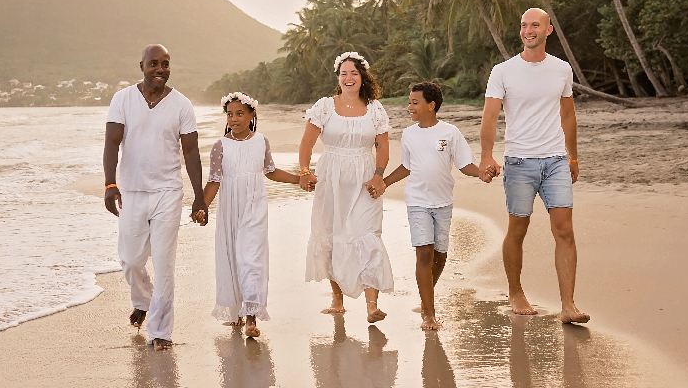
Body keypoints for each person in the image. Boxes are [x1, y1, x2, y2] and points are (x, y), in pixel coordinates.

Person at [477, 7, 589, 326]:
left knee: (564, 229)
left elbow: (568, 115)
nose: (528, 30)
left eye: (535, 25)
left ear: (548, 30)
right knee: (518, 228)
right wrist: (487, 156)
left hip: (555, 161)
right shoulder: (503, 71)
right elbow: (489, 116)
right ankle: (515, 292)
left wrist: (573, 156)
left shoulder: (562, 69)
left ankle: (568, 305)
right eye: (524, 25)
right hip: (519, 162)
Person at [103, 44, 207, 351]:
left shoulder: (182, 105)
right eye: (153, 64)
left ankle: (161, 331)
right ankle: (142, 300)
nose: (160, 69)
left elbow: (191, 152)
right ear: (142, 66)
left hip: (168, 193)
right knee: (131, 260)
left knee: (164, 265)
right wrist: (110, 185)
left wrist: (198, 198)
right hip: (132, 192)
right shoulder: (122, 99)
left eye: (165, 64)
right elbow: (111, 143)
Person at [370, 82, 484, 332]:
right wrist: (384, 182)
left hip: (443, 202)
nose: (409, 106)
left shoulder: (450, 132)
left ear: (431, 106)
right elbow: (407, 166)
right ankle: (429, 315)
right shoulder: (410, 134)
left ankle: (426, 296)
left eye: (414, 102)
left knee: (440, 256)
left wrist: (482, 173)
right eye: (409, 102)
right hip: (418, 202)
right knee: (424, 253)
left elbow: (465, 164)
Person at [300, 53, 394, 324]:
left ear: (363, 77)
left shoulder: (375, 108)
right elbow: (307, 142)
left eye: (353, 73)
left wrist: (379, 175)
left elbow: (383, 146)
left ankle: (372, 305)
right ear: (337, 77)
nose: (348, 78)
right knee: (331, 233)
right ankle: (337, 298)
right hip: (331, 177)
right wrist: (305, 171)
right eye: (343, 73)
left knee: (367, 234)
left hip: (365, 178)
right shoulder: (325, 107)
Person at [203, 93, 306, 337]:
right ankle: (238, 310)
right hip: (230, 209)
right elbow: (214, 181)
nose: (234, 119)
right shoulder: (220, 146)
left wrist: (298, 180)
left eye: (240, 113)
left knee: (252, 259)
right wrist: (202, 207)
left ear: (252, 115)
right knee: (233, 257)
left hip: (255, 208)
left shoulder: (261, 141)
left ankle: (251, 318)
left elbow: (270, 171)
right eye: (230, 114)